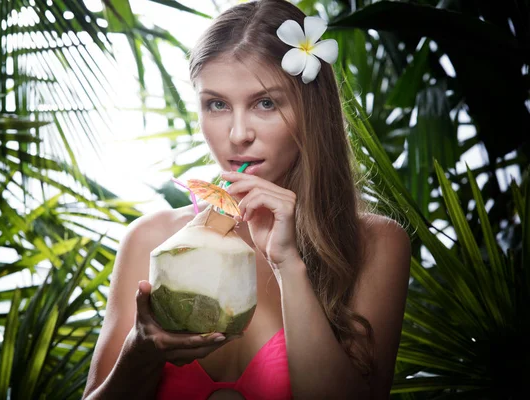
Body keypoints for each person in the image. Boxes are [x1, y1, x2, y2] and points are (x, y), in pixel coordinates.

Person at [82, 0, 411, 399]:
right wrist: (140, 351)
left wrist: (288, 265)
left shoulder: (375, 244)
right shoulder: (151, 239)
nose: (238, 134)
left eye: (265, 103)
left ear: (311, 111)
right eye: (217, 104)